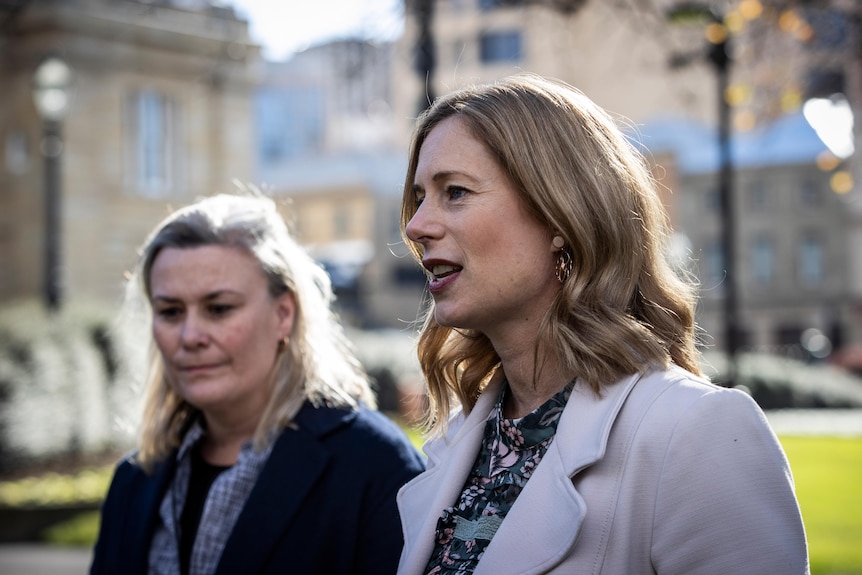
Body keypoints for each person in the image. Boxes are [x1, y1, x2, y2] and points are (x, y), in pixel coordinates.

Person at [395, 74, 808, 575]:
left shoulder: (696, 431)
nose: (417, 226)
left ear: (559, 217)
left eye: (455, 192)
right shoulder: (460, 439)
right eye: (420, 197)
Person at [90, 191, 425, 575]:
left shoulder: (377, 468)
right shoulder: (134, 480)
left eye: (219, 309)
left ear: (283, 314)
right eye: (170, 312)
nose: (190, 335)